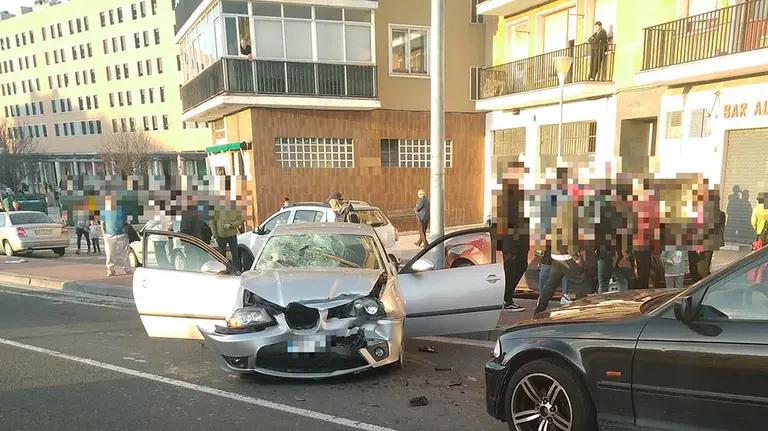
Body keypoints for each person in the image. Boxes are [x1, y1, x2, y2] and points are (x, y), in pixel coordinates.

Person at [534, 168, 588, 315]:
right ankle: (582, 313)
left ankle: (539, 309)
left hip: (556, 251)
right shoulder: (571, 209)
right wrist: (576, 256)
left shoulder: (562, 206)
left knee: (552, 282)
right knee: (580, 281)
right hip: (565, 252)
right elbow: (568, 234)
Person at [494, 160, 529, 312]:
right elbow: (509, 218)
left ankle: (506, 298)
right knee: (512, 268)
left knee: (520, 266)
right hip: (513, 240)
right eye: (520, 172)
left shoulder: (517, 191)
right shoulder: (509, 192)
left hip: (518, 239)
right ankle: (506, 299)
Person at [102, 197, 132, 276]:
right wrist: (104, 234)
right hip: (109, 235)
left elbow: (126, 222)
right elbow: (102, 223)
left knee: (125, 254)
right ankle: (110, 270)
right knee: (110, 254)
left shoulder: (121, 210)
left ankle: (127, 269)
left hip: (122, 234)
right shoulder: (104, 211)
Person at [209, 203, 244, 271]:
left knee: (235, 254)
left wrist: (231, 225)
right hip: (220, 236)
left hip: (232, 235)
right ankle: (223, 270)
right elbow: (212, 223)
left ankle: (237, 270)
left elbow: (240, 220)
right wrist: (215, 235)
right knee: (222, 255)